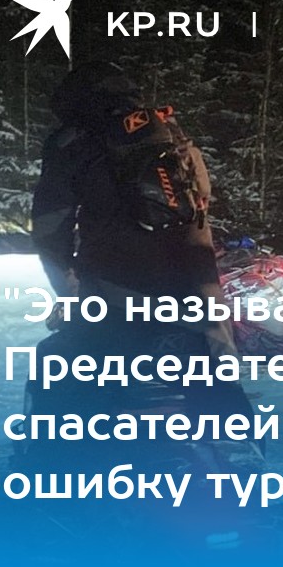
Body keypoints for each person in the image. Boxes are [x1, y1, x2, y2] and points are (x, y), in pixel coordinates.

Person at [28, 61, 252, 464]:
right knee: (215, 368)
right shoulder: (170, 130)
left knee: (65, 362)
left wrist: (67, 287)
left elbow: (50, 226)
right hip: (196, 281)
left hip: (117, 281)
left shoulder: (74, 142)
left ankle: (51, 466)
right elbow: (202, 198)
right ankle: (241, 454)